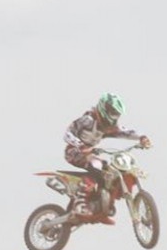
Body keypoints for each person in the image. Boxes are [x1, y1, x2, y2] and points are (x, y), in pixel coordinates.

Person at [63, 92, 152, 223]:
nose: (115, 117)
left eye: (117, 114)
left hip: (90, 154)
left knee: (110, 172)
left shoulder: (107, 127)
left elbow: (125, 132)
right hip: (74, 151)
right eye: (113, 112)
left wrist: (142, 137)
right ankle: (80, 203)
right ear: (104, 108)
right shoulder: (87, 120)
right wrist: (81, 146)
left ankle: (100, 206)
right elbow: (67, 134)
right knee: (96, 165)